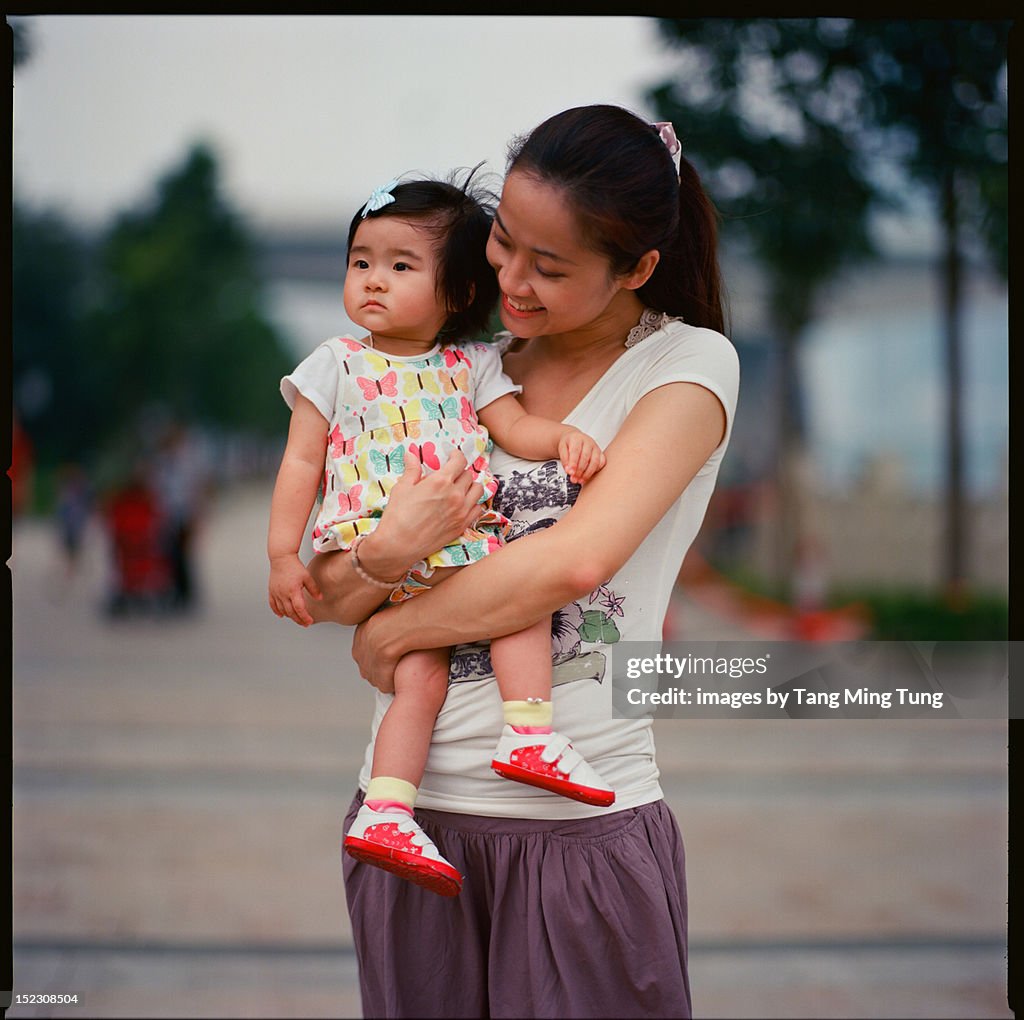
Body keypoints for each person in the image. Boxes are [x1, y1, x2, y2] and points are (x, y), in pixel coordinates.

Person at [302, 105, 739, 1018]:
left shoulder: (684, 369)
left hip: (578, 831)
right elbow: (335, 587)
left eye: (551, 266)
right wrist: (386, 556)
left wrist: (396, 635)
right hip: (405, 825)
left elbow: (572, 564)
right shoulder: (462, 373)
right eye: (504, 244)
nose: (512, 279)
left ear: (638, 269)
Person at [268, 169, 613, 899]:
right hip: (373, 547)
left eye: (399, 266)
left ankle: (486, 756)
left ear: (457, 294)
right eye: (361, 261)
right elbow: (301, 460)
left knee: (481, 636)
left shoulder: (473, 363)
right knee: (465, 645)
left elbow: (513, 427)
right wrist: (281, 554)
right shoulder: (335, 364)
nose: (372, 281)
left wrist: (565, 439)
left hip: (460, 551)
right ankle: (442, 781)